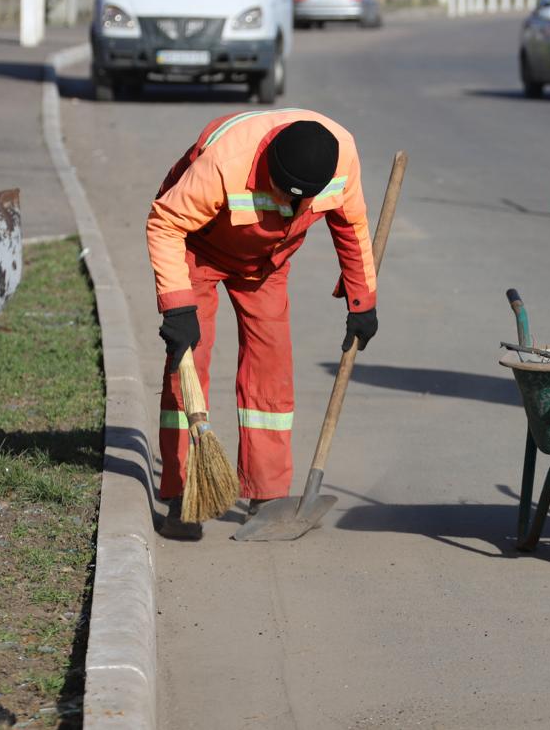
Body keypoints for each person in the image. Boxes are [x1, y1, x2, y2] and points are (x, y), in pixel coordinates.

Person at [146, 110, 378, 537]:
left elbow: (352, 224)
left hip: (267, 264)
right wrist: (177, 307)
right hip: (198, 248)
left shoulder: (341, 156)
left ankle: (266, 493)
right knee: (189, 362)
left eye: (301, 201)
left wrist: (362, 301)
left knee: (271, 369)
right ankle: (184, 493)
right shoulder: (225, 162)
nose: (292, 207)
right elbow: (165, 223)